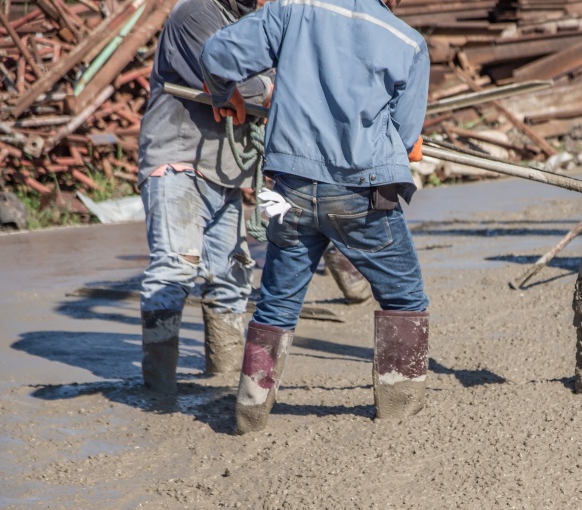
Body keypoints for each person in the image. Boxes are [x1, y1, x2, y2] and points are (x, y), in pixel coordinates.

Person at [199, 0, 430, 433]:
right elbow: (405, 136)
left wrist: (223, 94)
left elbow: (216, 55)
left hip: (291, 188)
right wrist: (406, 144)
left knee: (277, 302)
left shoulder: (292, 9)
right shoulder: (408, 43)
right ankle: (399, 412)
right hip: (362, 191)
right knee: (404, 299)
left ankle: (250, 415)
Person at [137, 0, 273, 395]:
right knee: (175, 268)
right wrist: (269, 84)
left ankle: (221, 381)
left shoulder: (246, 20)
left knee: (231, 278)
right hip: (179, 159)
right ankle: (159, 389)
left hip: (222, 170)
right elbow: (223, 82)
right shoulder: (197, 13)